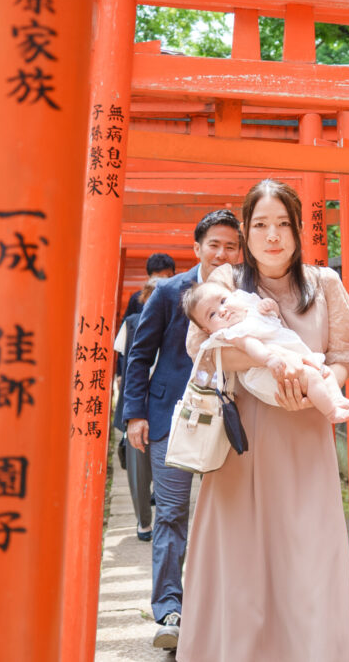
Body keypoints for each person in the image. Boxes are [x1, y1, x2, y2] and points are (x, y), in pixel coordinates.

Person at [177, 179, 349, 661]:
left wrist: (321, 385)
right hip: (243, 447)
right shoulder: (225, 284)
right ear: (246, 230)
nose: (272, 235)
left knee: (308, 561)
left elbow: (344, 355)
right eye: (261, 224)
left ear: (299, 230)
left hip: (304, 439)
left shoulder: (325, 284)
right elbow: (201, 351)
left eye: (283, 224)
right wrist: (270, 363)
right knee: (241, 568)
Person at [121, 210, 242, 650]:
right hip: (172, 419)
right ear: (197, 248)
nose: (222, 253)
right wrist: (135, 414)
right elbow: (139, 354)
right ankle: (170, 609)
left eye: (231, 245)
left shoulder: (246, 293)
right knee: (171, 513)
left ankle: (219, 604)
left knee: (228, 514)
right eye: (215, 244)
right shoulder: (171, 291)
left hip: (230, 420)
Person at [183, 281, 349, 423]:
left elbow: (274, 321)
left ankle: (337, 399)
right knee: (313, 376)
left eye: (223, 301)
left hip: (294, 360)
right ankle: (331, 412)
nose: (222, 311)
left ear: (235, 295)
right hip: (268, 372)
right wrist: (269, 358)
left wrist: (272, 308)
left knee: (326, 373)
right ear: (208, 330)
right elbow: (251, 346)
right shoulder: (233, 332)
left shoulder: (251, 309)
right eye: (212, 315)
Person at [112, 277, 161, 542]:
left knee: (162, 463)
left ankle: (160, 516)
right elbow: (123, 359)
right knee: (138, 467)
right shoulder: (131, 324)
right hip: (136, 401)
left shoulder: (178, 323)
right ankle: (143, 521)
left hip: (164, 401)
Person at [124, 252, 176, 319]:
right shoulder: (137, 298)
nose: (164, 282)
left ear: (174, 275)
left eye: (168, 277)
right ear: (150, 277)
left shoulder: (181, 297)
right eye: (158, 278)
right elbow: (128, 325)